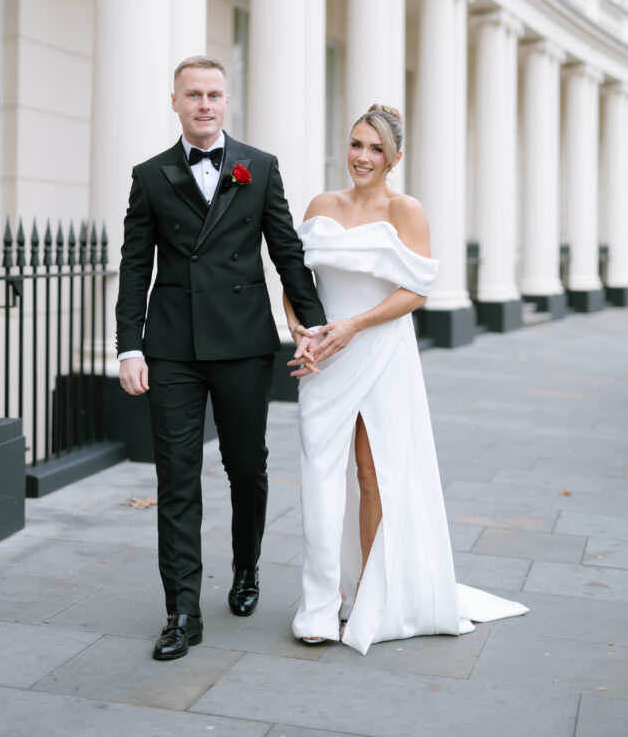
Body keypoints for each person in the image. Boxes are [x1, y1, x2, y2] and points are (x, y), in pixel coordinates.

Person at [284, 104, 528, 654]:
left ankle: (375, 595)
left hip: (380, 351)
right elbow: (296, 279)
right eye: (355, 144)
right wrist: (301, 327)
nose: (363, 157)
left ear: (395, 157)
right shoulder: (321, 205)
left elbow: (416, 290)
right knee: (320, 476)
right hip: (324, 356)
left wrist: (355, 325)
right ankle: (319, 608)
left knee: (373, 472)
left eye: (375, 148)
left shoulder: (405, 209)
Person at [116, 56, 326, 661]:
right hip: (173, 347)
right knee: (176, 478)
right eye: (193, 95)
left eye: (214, 94)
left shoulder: (258, 168)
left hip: (242, 345)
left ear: (225, 101)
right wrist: (130, 345)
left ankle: (246, 567)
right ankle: (182, 611)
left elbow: (286, 251)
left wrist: (312, 326)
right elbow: (135, 268)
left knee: (246, 467)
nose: (204, 104)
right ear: (175, 102)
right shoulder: (150, 175)